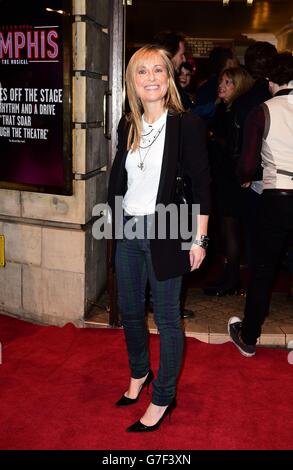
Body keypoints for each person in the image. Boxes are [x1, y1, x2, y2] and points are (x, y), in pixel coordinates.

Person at [108, 45, 210, 431]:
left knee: (167, 319)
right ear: (132, 81)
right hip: (129, 227)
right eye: (141, 72)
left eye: (158, 71)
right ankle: (139, 375)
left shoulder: (187, 125)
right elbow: (123, 179)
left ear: (169, 78)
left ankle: (164, 396)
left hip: (168, 229)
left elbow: (202, 184)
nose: (150, 78)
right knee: (130, 311)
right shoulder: (127, 123)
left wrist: (199, 239)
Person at [228, 52, 293, 356]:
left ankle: (249, 336)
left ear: (270, 81)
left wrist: (245, 177)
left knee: (264, 268)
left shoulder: (263, 111)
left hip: (276, 195)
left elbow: (246, 165)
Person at [153, 31, 195, 318]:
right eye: (181, 53)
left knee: (169, 249)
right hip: (169, 188)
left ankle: (167, 305)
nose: (183, 59)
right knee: (166, 247)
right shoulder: (165, 91)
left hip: (174, 187)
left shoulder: (175, 91)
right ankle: (166, 306)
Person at [204, 67, 253, 296]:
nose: (221, 85)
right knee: (226, 230)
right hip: (224, 178)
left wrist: (212, 136)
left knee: (230, 229)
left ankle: (232, 279)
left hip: (231, 180)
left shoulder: (235, 112)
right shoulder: (225, 109)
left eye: (227, 82)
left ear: (238, 85)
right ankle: (229, 276)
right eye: (221, 81)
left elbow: (235, 149)